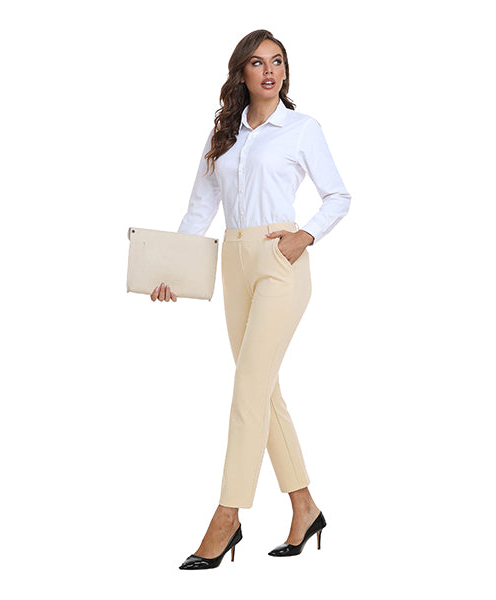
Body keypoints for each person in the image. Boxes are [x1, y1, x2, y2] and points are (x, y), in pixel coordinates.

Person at [151, 29, 351, 569]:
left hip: (280, 262)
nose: (269, 71)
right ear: (241, 71)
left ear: (286, 71)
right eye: (258, 62)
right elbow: (199, 210)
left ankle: (227, 515)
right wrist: (172, 271)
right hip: (233, 263)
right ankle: (305, 508)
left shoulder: (302, 129)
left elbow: (338, 195)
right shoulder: (225, 135)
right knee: (264, 392)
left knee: (247, 388)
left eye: (277, 62)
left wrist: (303, 236)